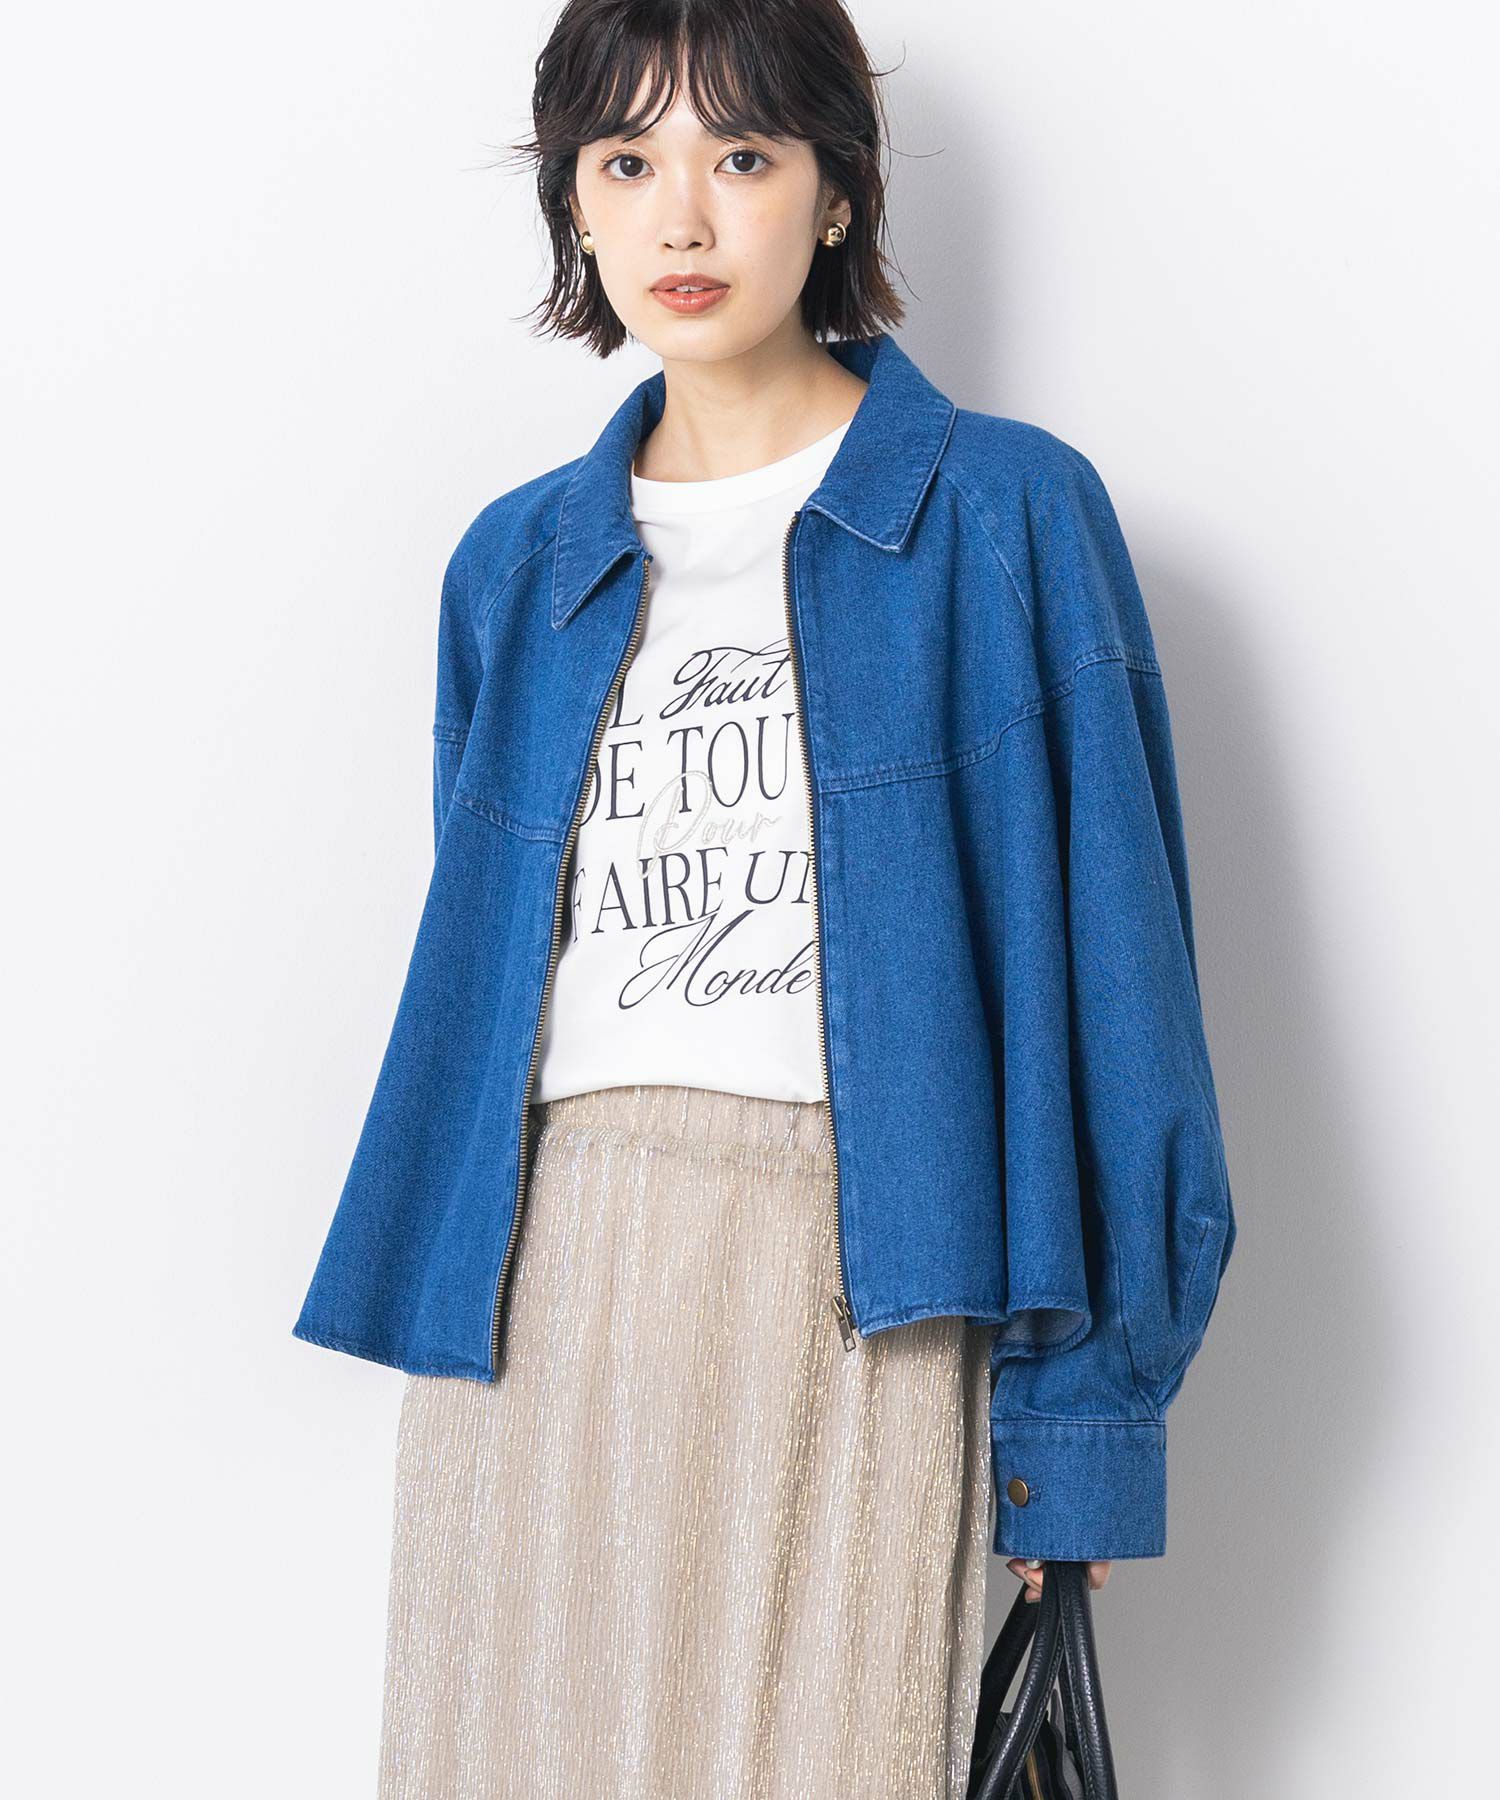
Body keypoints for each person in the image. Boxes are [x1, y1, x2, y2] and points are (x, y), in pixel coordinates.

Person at [290, 3, 1237, 1795]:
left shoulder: (1006, 517)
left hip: (865, 1268)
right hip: (545, 1276)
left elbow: (1127, 1002)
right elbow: (499, 992)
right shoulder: (516, 564)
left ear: (837, 191)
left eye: (742, 156)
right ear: (574, 205)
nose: (683, 218)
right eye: (626, 161)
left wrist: (1083, 1431)